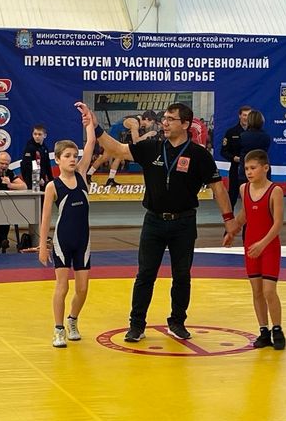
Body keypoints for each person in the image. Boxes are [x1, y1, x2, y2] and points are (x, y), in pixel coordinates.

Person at [82, 101, 240, 343]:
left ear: (185, 124)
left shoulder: (199, 155)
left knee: (182, 276)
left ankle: (177, 322)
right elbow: (118, 149)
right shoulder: (152, 147)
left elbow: (218, 189)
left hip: (184, 222)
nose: (164, 123)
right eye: (164, 118)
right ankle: (136, 325)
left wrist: (229, 221)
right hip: (154, 221)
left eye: (170, 119)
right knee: (145, 275)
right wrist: (96, 127)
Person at [38, 103, 97, 348]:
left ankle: (73, 320)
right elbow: (45, 219)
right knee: (62, 287)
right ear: (58, 159)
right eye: (67, 156)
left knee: (82, 289)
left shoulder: (81, 175)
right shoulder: (53, 186)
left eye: (75, 156)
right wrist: (43, 246)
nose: (73, 159)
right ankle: (59, 328)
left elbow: (91, 142)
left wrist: (88, 119)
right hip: (63, 241)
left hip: (83, 241)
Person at [227, 149, 286, 350]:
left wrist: (263, 244)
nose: (249, 172)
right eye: (246, 169)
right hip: (251, 245)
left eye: (253, 168)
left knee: (269, 291)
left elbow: (278, 224)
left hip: (268, 246)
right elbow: (245, 214)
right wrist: (232, 231)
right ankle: (263, 330)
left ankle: (277, 329)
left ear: (265, 168)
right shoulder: (244, 189)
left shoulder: (275, 191)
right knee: (257, 291)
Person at [220, 105, 251, 211]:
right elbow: (223, 151)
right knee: (232, 196)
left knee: (250, 197)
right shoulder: (231, 132)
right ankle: (230, 220)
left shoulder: (255, 133)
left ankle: (249, 221)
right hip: (236, 168)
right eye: (244, 115)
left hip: (251, 169)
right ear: (239, 116)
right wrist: (234, 158)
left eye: (248, 115)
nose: (246, 118)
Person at [20, 124, 53, 191]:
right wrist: (38, 179)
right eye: (35, 134)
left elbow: (47, 164)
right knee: (34, 195)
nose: (37, 136)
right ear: (32, 135)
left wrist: (51, 179)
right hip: (31, 179)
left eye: (39, 134)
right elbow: (27, 166)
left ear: (45, 135)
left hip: (41, 178)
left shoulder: (44, 148)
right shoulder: (29, 148)